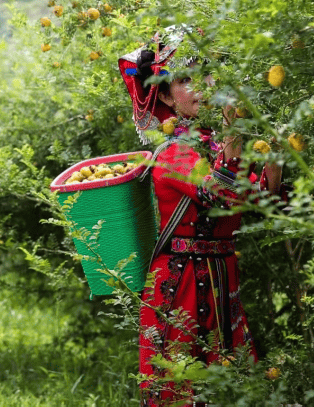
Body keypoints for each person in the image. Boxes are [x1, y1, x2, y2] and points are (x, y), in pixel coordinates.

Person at [118, 27, 283, 407]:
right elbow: (221, 191)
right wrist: (233, 127)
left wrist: (275, 159)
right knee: (181, 388)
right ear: (164, 96)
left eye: (205, 74)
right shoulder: (175, 152)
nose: (199, 86)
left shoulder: (214, 144)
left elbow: (265, 203)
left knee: (235, 388)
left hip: (224, 277)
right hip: (180, 285)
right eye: (184, 80)